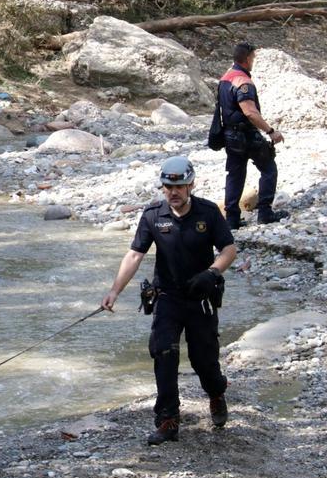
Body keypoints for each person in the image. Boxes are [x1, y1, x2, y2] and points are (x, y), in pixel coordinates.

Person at [101, 157, 237, 445]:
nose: (173, 192)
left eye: (178, 187)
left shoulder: (209, 213)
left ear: (191, 185)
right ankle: (167, 420)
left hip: (200, 297)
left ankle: (216, 393)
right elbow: (134, 255)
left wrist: (212, 272)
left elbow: (228, 249)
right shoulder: (153, 214)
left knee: (204, 360)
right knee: (164, 354)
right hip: (167, 297)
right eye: (167, 187)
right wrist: (114, 291)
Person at [218, 42, 287, 228]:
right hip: (246, 135)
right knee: (269, 169)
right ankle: (265, 212)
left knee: (235, 174)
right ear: (248, 59)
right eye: (254, 58)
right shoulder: (243, 81)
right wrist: (271, 131)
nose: (254, 61)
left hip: (229, 135)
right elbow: (250, 112)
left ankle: (231, 218)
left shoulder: (226, 78)